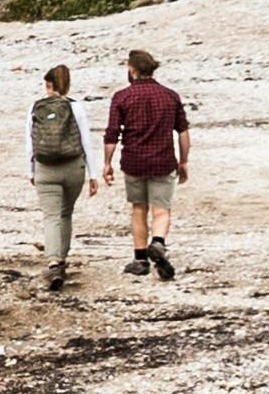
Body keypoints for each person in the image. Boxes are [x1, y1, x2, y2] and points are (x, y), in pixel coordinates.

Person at [102, 46, 192, 278]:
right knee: (161, 210)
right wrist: (183, 161)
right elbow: (182, 132)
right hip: (163, 161)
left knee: (139, 208)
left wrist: (107, 163)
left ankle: (140, 259)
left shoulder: (122, 97)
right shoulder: (170, 95)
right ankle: (159, 242)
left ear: (132, 70)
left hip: (134, 162)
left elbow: (112, 133)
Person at [26, 63, 88, 291]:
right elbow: (86, 142)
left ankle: (53, 264)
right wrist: (92, 173)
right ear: (67, 84)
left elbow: (29, 143)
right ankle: (62, 257)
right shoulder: (76, 108)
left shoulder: (35, 107)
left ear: (47, 85)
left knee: (51, 216)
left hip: (45, 168)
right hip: (73, 167)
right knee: (66, 213)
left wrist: (30, 170)